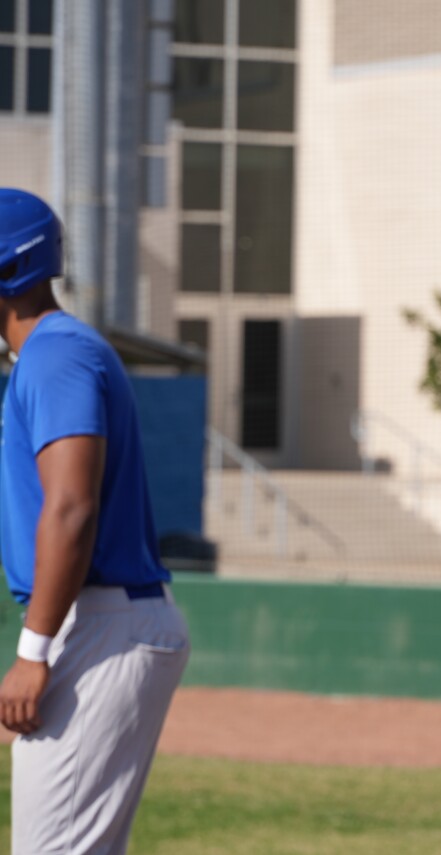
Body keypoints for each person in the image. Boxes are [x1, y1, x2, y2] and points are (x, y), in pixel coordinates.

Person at [0, 187, 190, 854]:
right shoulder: (50, 355)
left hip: (101, 621)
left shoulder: (56, 352)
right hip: (99, 618)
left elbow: (73, 506)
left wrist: (32, 652)